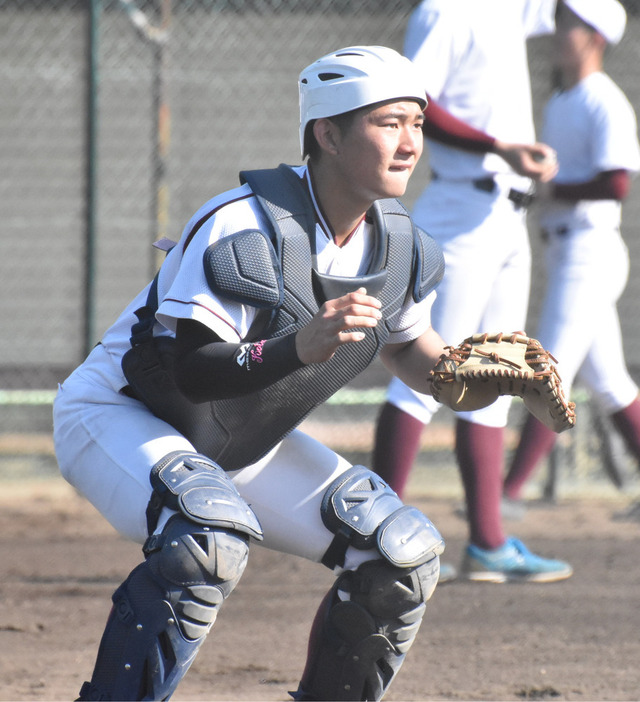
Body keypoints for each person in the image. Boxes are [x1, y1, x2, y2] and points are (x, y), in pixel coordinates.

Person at [53, 45, 459, 702]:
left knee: (399, 555)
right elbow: (193, 371)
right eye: (389, 122)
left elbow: (414, 351)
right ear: (327, 133)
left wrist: (472, 384)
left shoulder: (401, 245)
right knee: (204, 540)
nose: (411, 142)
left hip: (240, 442)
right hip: (122, 415)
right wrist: (301, 344)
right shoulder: (244, 225)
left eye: (417, 122)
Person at [372, 0, 575, 583]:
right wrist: (501, 147)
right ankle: (375, 533)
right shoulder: (444, 10)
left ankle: (488, 541)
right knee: (426, 370)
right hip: (462, 209)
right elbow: (414, 105)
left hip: (510, 217)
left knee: (499, 371)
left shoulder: (510, 8)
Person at [503, 0, 640, 516]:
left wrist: (556, 186)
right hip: (566, 248)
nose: (561, 32)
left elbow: (617, 181)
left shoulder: (605, 100)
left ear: (596, 35)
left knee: (548, 371)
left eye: (572, 24)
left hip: (591, 247)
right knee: (609, 382)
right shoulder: (564, 100)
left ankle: (505, 492)